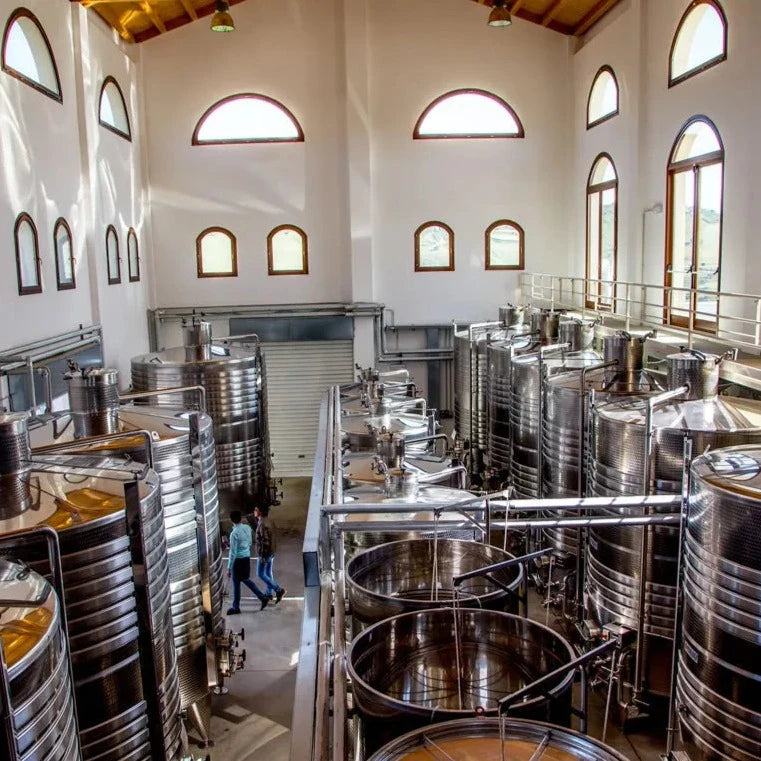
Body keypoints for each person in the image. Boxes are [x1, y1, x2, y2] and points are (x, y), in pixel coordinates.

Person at [227, 510, 268, 614]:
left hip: (238, 561)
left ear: (231, 520)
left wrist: (229, 567)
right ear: (241, 518)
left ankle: (236, 607)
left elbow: (233, 552)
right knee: (245, 579)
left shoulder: (233, 534)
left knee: (236, 584)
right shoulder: (247, 528)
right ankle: (262, 597)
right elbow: (250, 542)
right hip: (246, 558)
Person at [254, 505, 286, 604]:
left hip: (265, 553)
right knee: (268, 573)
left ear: (260, 512)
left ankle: (278, 590)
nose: (254, 511)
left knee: (260, 574)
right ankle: (268, 593)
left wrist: (263, 556)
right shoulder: (269, 521)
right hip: (271, 551)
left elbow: (265, 541)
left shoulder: (262, 524)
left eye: (256, 509)